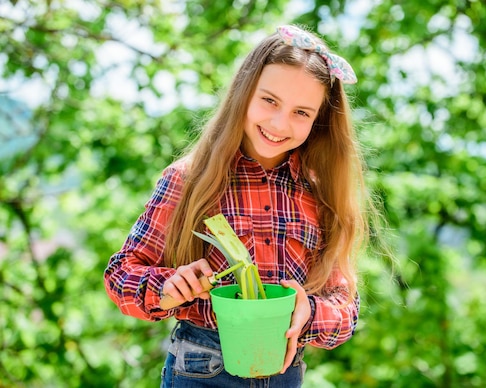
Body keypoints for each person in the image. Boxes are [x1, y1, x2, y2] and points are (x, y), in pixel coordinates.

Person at [104, 24, 370, 387]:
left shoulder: (320, 193)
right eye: (270, 101)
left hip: (285, 371)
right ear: (244, 93)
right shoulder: (189, 180)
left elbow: (346, 307)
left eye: (301, 113)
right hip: (201, 368)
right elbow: (120, 276)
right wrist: (168, 287)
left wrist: (309, 313)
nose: (280, 123)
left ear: (318, 120)